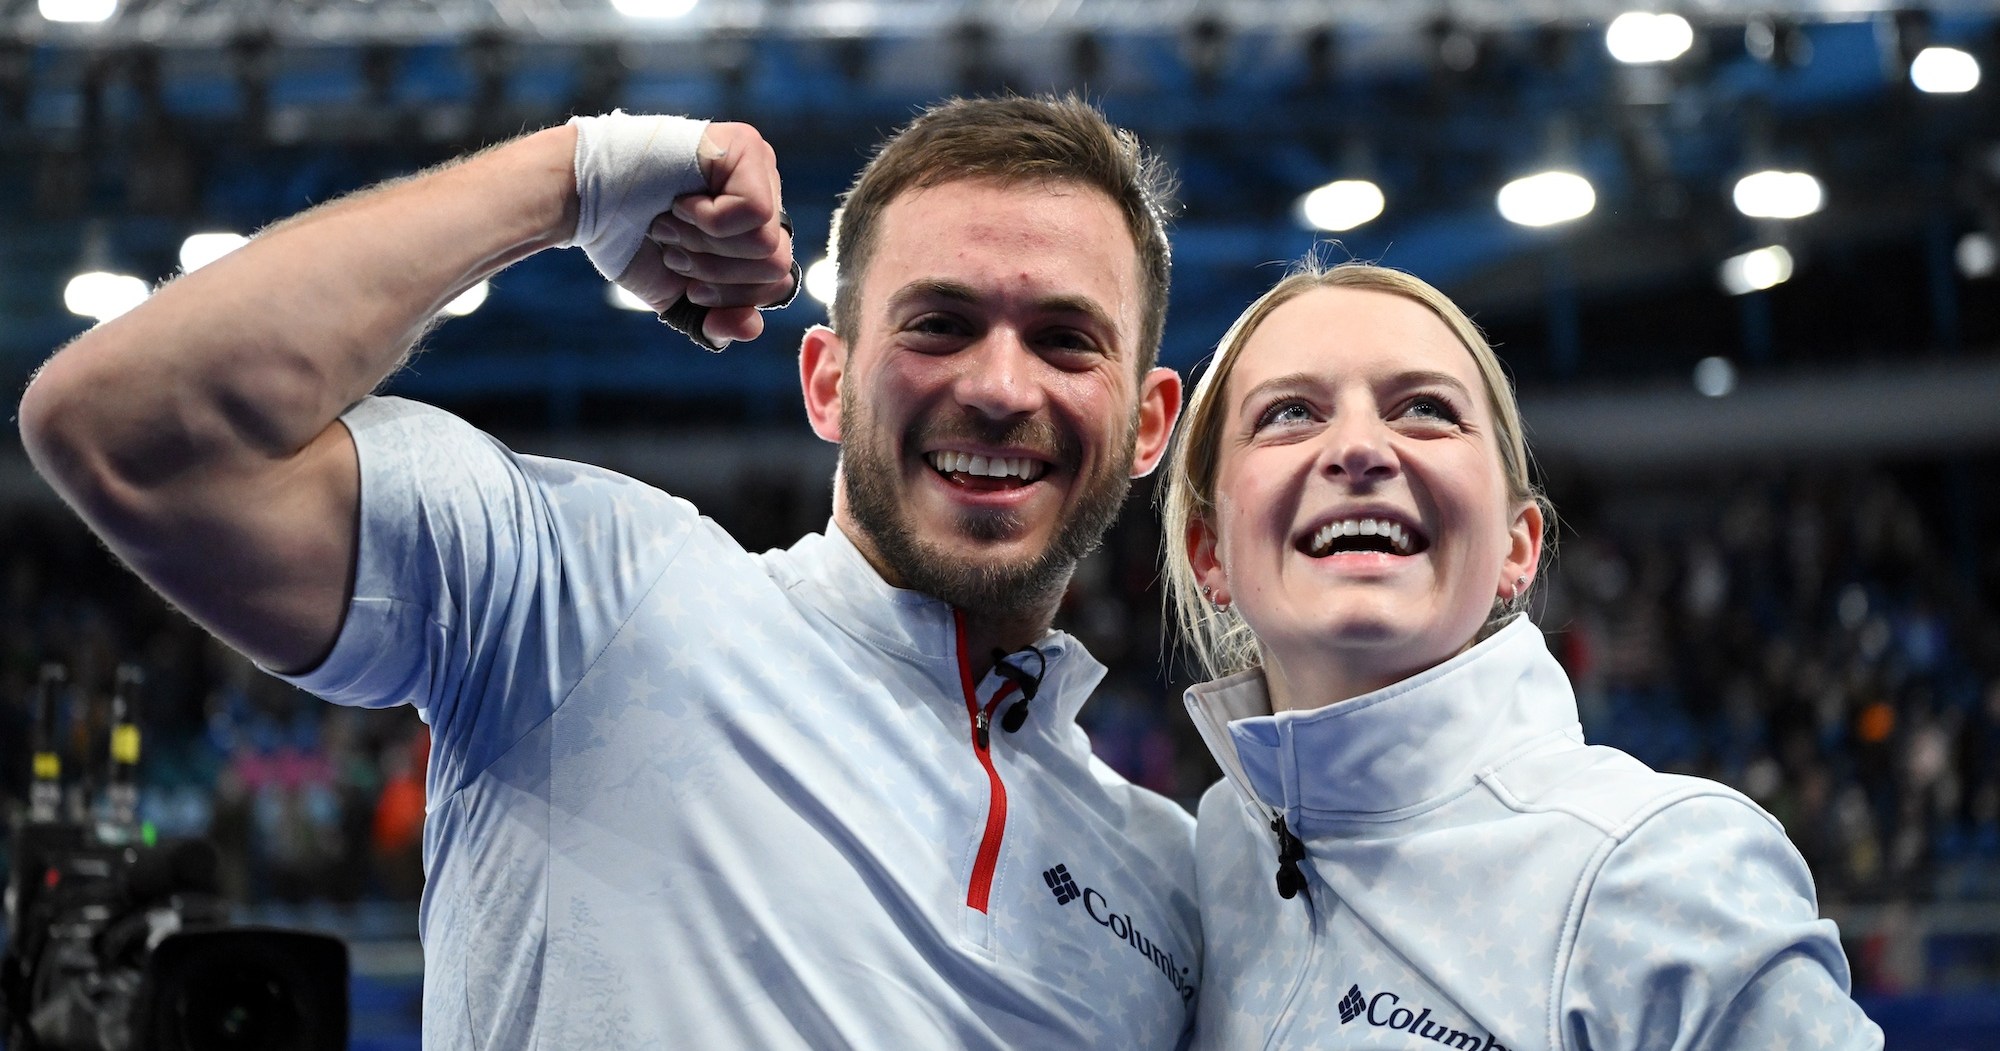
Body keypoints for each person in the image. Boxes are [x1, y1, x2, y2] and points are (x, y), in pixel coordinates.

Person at [19, 96, 1201, 1049]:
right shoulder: (588, 597)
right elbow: (129, 431)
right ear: (826, 382)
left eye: (1064, 337)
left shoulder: (1172, 883)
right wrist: (571, 175)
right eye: (937, 324)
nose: (998, 386)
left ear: (1148, 423)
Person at [1159, 260, 1884, 1049]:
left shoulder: (1662, 870)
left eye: (1427, 409)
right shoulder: (1201, 867)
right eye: (1290, 412)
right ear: (1210, 552)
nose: (1360, 447)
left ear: (1518, 547)